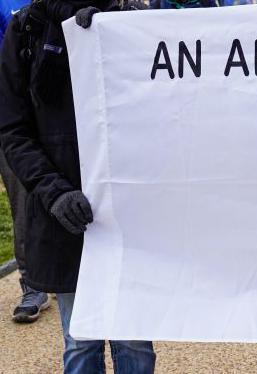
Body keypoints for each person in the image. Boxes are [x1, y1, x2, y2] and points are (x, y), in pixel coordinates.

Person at [0, 0, 156, 372]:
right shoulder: (26, 30)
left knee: (135, 344)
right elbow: (13, 131)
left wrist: (122, 30)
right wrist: (55, 193)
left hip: (127, 214)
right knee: (80, 341)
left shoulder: (133, 21)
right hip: (62, 218)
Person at [1, 0, 51, 324]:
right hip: (16, 113)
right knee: (23, 198)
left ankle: (74, 273)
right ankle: (32, 283)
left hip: (65, 109)